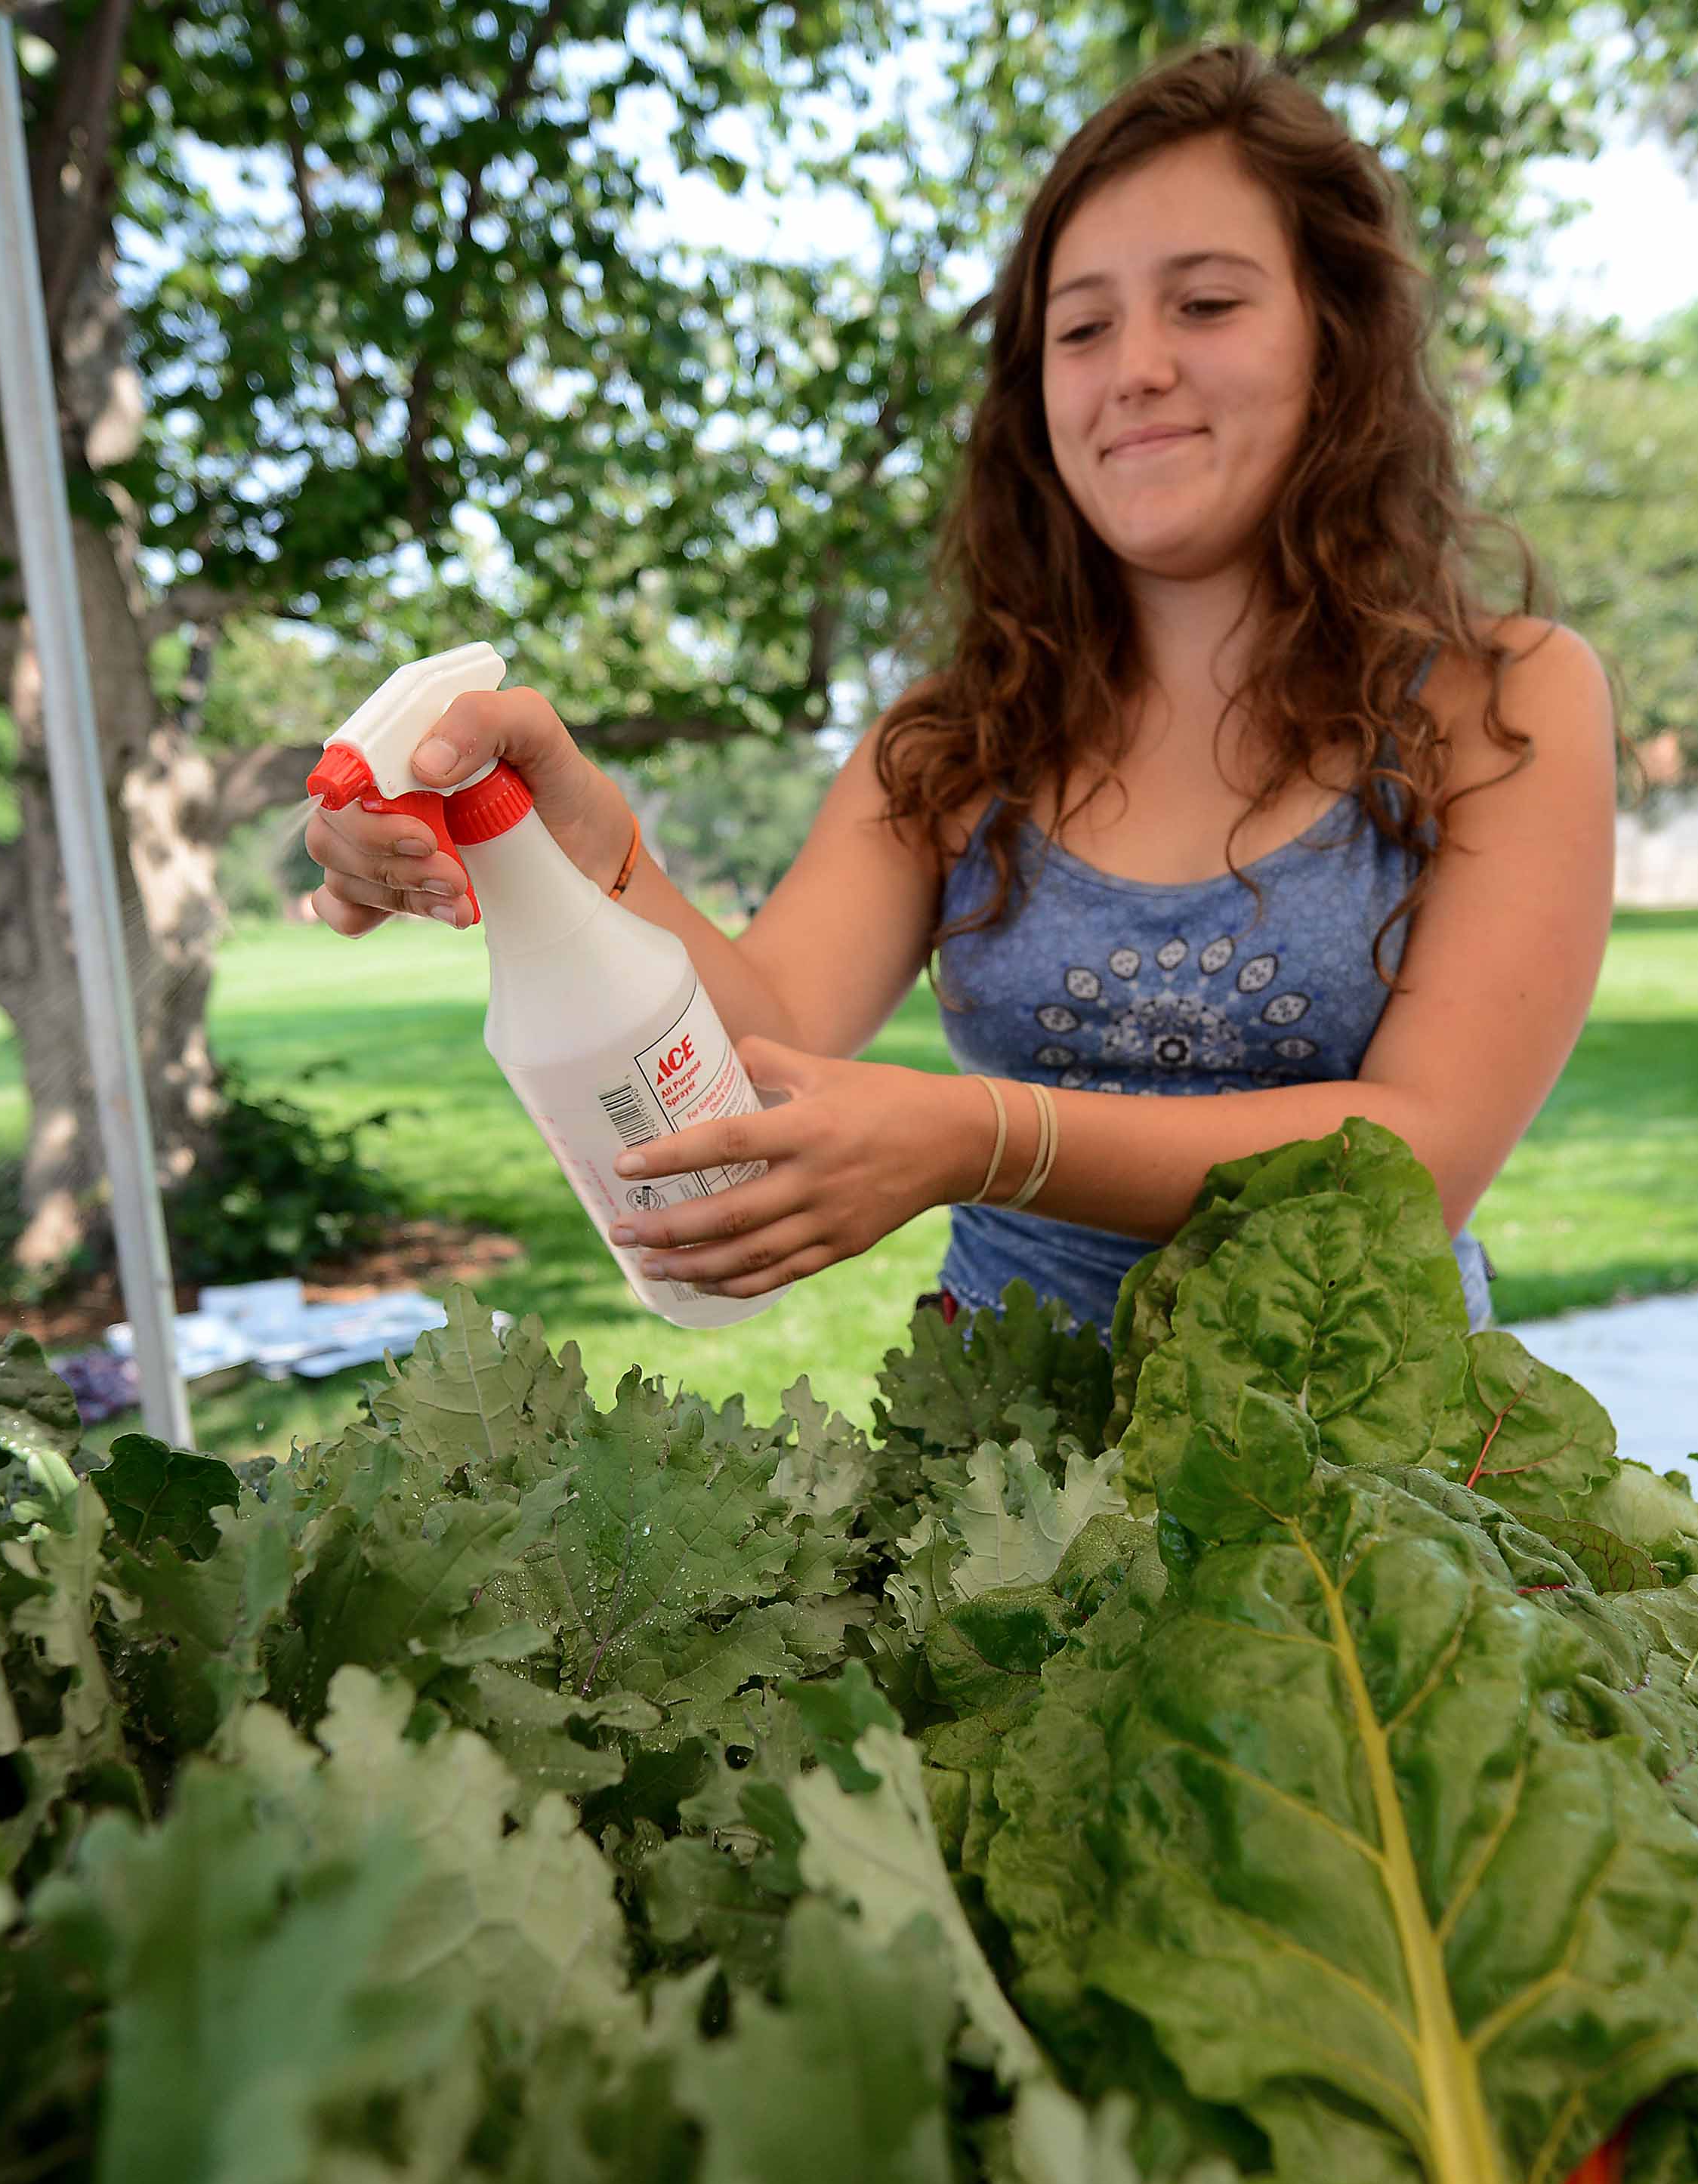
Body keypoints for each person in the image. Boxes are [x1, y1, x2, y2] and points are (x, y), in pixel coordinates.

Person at [304, 46, 1614, 1337]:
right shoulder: (955, 740)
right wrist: (575, 847)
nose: (1135, 367)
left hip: (1366, 1453)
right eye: (1082, 328)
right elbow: (764, 1043)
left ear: (1339, 341)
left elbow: (1422, 1162)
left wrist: (985, 1137)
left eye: (1206, 305)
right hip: (994, 1453)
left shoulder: (1507, 703)